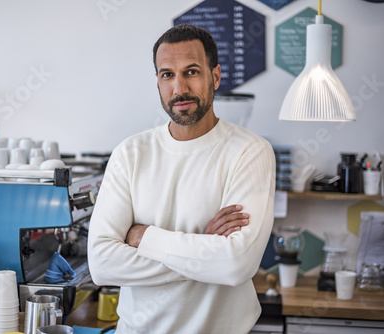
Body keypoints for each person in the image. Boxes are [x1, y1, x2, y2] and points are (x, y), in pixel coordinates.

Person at [87, 24, 276, 333]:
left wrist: (143, 237)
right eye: (167, 75)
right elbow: (102, 263)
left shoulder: (250, 152)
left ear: (214, 76)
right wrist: (205, 249)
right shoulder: (130, 153)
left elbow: (235, 265)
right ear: (158, 81)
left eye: (191, 72)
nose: (179, 89)